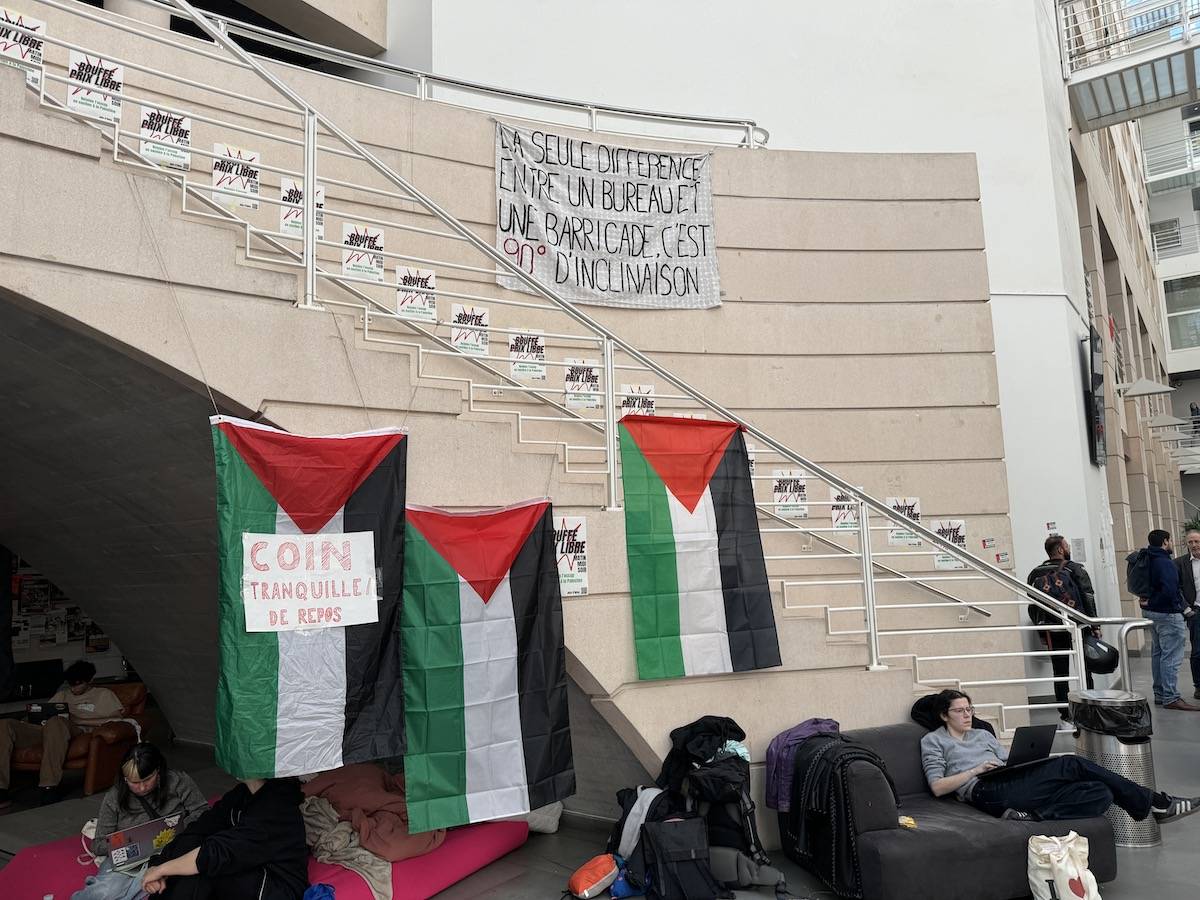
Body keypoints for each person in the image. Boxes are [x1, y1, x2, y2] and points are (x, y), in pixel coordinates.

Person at [921, 690, 1200, 823]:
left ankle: (1033, 816)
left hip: (1009, 783)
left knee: (1099, 791)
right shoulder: (934, 741)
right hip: (983, 791)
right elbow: (937, 787)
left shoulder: (982, 734)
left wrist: (1020, 762)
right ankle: (1155, 802)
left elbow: (1008, 762)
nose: (968, 715)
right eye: (960, 711)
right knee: (1071, 762)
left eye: (970, 709)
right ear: (944, 715)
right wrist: (975, 770)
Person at [72, 742, 208, 900]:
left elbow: (203, 812)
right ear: (125, 779)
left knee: (147, 887)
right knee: (104, 893)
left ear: (158, 771)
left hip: (169, 851)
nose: (142, 788)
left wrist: (178, 827)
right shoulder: (114, 797)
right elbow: (97, 845)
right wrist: (122, 842)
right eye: (134, 783)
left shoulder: (178, 781)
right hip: (129, 857)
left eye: (147, 779)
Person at [140, 777, 307, 899]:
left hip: (275, 886)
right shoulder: (241, 794)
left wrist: (163, 870)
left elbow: (220, 853)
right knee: (191, 851)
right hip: (246, 864)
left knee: (202, 870)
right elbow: (199, 829)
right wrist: (158, 865)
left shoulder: (278, 807)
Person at [0, 659, 126, 807]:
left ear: (90, 680)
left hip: (75, 730)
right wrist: (29, 719)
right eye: (72, 684)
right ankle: (1, 789)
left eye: (79, 683)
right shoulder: (62, 695)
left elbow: (117, 718)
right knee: (4, 724)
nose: (74, 688)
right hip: (45, 729)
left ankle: (48, 786)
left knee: (56, 722)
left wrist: (78, 719)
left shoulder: (103, 694)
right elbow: (44, 712)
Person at [1027, 534, 1098, 719]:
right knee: (1084, 668)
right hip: (1076, 625)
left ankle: (1065, 714)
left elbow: (1031, 603)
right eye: (1066, 545)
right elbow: (1088, 596)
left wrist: (1040, 626)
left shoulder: (1035, 573)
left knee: (1060, 672)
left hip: (1051, 628)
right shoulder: (1075, 569)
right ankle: (1088, 708)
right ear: (1060, 549)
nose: (1068, 548)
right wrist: (1094, 623)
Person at [1138, 530, 1199, 710]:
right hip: (1167, 614)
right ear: (1165, 542)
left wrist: (1148, 603)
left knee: (1158, 653)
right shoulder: (1165, 562)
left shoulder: (1147, 558)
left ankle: (1160, 693)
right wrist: (1182, 609)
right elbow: (1170, 591)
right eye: (1170, 540)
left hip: (1151, 613)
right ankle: (1171, 697)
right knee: (1171, 656)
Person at [1173, 528, 1200, 700]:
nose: (1194, 545)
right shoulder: (1179, 563)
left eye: (1197, 541)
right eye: (1190, 542)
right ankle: (1198, 686)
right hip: (1196, 612)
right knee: (1197, 651)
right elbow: (1176, 588)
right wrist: (1186, 609)